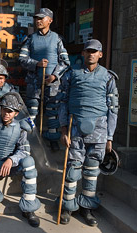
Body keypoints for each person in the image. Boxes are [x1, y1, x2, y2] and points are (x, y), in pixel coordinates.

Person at [57, 39, 119, 227]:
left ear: (100, 54)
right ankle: (68, 206)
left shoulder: (108, 77)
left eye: (95, 51)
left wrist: (110, 137)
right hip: (75, 127)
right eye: (88, 51)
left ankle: (87, 207)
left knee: (92, 170)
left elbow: (113, 108)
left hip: (99, 130)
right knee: (73, 169)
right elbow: (62, 101)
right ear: (83, 53)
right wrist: (63, 129)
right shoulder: (71, 74)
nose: (91, 54)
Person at [0, 92, 41, 227]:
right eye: (5, 109)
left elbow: (24, 149)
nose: (7, 114)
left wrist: (12, 159)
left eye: (11, 112)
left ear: (16, 113)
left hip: (11, 164)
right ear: (0, 108)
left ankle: (29, 208)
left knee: (29, 162)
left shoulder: (21, 127)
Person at [18, 8, 70, 151]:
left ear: (50, 20)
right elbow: (22, 59)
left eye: (42, 18)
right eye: (37, 18)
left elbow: (65, 62)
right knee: (32, 112)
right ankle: (31, 140)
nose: (38, 21)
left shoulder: (58, 39)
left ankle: (53, 139)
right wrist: (36, 64)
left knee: (52, 112)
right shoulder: (30, 39)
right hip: (34, 83)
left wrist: (54, 76)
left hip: (52, 84)